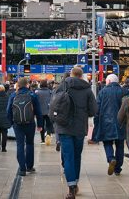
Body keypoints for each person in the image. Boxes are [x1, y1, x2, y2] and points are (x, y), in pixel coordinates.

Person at [55, 67, 97, 199]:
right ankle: (75, 183)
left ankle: (71, 187)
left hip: (64, 126)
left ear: (71, 74)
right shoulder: (87, 89)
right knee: (76, 156)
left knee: (68, 157)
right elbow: (93, 111)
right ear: (81, 76)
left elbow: (53, 105)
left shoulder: (62, 86)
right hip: (79, 128)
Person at [7, 77, 43, 176]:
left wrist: (11, 123)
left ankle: (22, 169)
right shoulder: (32, 95)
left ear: (18, 85)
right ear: (27, 85)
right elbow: (38, 111)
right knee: (30, 144)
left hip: (17, 124)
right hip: (30, 123)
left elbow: (8, 111)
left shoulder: (13, 95)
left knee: (20, 145)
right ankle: (30, 167)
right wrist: (40, 124)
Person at [93, 74, 125, 176]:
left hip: (106, 122)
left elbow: (97, 109)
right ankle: (118, 168)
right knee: (120, 145)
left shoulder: (103, 92)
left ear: (109, 81)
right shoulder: (124, 91)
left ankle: (111, 158)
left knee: (107, 142)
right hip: (121, 122)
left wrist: (96, 122)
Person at [35, 80, 52, 144]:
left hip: (40, 112)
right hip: (48, 111)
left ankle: (42, 140)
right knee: (48, 126)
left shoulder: (37, 92)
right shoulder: (50, 92)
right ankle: (48, 137)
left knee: (41, 126)